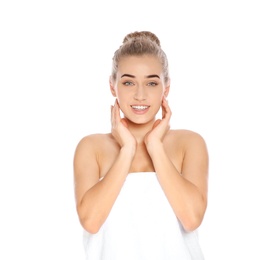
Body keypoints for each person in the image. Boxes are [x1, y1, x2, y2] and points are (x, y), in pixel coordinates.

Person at [73, 31, 209, 260]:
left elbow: (191, 219)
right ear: (112, 86)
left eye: (152, 82)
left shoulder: (190, 143)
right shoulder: (91, 148)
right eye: (128, 82)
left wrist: (155, 146)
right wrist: (127, 150)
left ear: (165, 88)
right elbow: (91, 221)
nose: (140, 95)